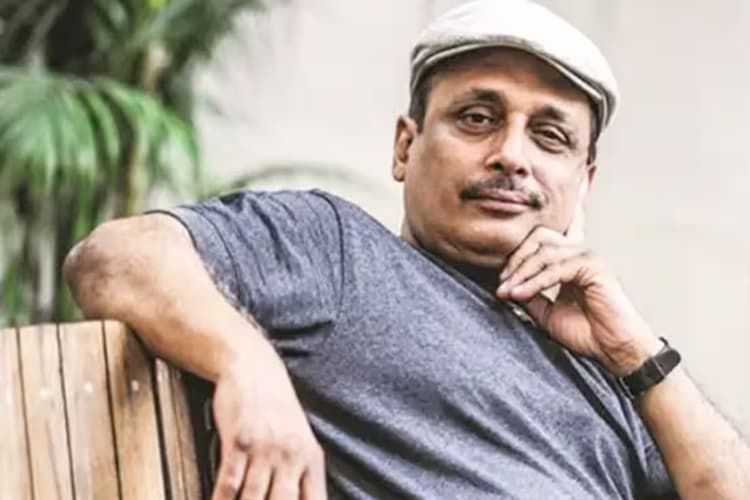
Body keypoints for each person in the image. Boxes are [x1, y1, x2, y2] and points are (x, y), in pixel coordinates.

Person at [64, 0, 750, 498]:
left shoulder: (605, 370)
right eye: (477, 118)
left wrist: (638, 355)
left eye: (549, 136)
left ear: (583, 183)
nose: (511, 155)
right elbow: (114, 258)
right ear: (405, 146)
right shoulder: (339, 254)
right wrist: (248, 366)